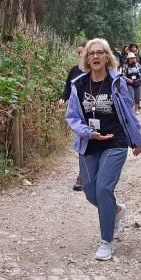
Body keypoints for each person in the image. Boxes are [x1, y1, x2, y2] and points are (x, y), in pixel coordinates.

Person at [66, 38, 141, 261]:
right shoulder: (79, 84)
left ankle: (106, 241)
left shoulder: (117, 82)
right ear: (86, 58)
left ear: (107, 57)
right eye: (91, 53)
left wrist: (137, 139)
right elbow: (71, 116)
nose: (95, 57)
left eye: (100, 53)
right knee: (90, 191)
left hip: (115, 141)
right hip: (89, 141)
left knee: (103, 188)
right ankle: (116, 210)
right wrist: (88, 132)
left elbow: (129, 113)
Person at [58, 41, 87, 191]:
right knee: (82, 142)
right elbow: (68, 86)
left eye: (82, 51)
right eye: (78, 52)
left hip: (95, 113)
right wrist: (64, 98)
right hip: (78, 114)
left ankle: (93, 173)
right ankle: (81, 176)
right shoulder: (74, 70)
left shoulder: (96, 70)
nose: (80, 54)